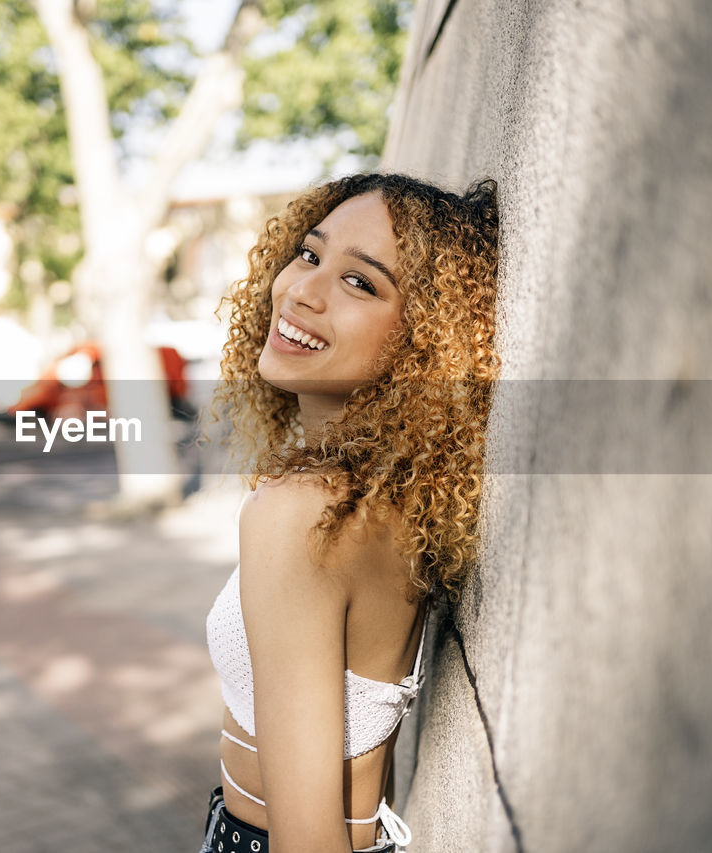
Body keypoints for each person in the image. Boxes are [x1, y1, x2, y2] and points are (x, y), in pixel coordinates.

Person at [201, 173, 500, 853]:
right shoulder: (391, 496)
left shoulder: (303, 515)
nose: (301, 290)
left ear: (422, 342)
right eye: (309, 254)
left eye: (361, 283)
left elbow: (307, 839)